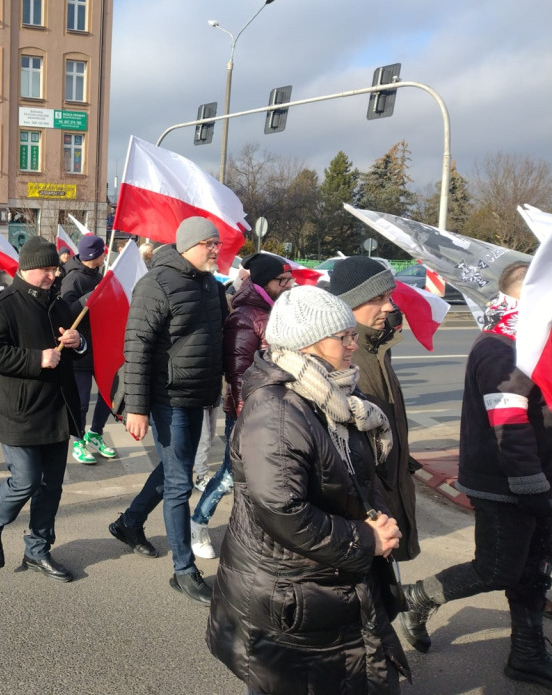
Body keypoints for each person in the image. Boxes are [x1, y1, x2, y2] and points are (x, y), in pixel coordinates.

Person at [207, 284, 409, 694]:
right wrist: (364, 539)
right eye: (344, 337)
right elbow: (283, 508)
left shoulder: (334, 394)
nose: (354, 345)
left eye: (353, 334)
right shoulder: (278, 411)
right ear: (308, 343)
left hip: (323, 583)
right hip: (292, 596)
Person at [399, 262, 552, 688]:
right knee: (497, 568)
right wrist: (530, 484)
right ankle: (419, 596)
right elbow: (509, 423)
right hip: (505, 482)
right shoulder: (502, 348)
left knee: (535, 569)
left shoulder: (534, 340)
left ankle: (527, 653)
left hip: (538, 474)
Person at [109, 217, 228, 605]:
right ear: (188, 245)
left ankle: (129, 523)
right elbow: (137, 349)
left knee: (173, 471)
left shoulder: (209, 283)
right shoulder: (156, 283)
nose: (215, 249)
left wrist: (218, 389)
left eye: (217, 243)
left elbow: (216, 339)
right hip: (165, 399)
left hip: (197, 396)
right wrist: (138, 409)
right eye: (209, 243)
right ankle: (184, 570)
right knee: (179, 484)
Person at [0, 236, 85, 583]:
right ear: (26, 268)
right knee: (24, 480)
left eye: (55, 269)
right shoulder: (1, 304)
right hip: (18, 409)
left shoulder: (60, 305)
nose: (53, 275)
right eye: (47, 270)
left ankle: (38, 549)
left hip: (57, 409)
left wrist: (78, 343)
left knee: (51, 486)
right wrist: (37, 358)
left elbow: (76, 345)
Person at [191, 253, 295, 560]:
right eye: (282, 280)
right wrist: (243, 412)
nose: (288, 285)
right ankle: (198, 523)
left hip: (275, 410)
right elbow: (237, 373)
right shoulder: (245, 317)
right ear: (265, 282)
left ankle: (251, 535)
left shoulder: (275, 311)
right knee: (228, 477)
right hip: (247, 412)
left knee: (268, 479)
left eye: (288, 279)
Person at [328, 256, 419, 563]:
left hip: (386, 498)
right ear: (351, 303)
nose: (390, 307)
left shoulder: (375, 348)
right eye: (379, 299)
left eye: (389, 297)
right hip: (367, 513)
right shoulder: (344, 360)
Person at [59, 233, 117, 464]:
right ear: (97, 254)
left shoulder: (98, 274)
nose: (105, 255)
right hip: (79, 351)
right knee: (81, 401)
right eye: (103, 251)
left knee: (109, 394)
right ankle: (78, 440)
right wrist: (88, 299)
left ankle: (96, 433)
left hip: (101, 347)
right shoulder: (72, 278)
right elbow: (65, 313)